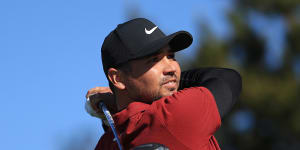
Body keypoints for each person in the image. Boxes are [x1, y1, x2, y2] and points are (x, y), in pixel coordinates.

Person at [85, 18, 242, 150]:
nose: (172, 68)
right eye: (154, 60)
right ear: (117, 78)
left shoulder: (105, 143)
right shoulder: (172, 114)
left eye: (171, 56)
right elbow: (227, 79)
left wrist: (112, 113)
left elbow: (126, 126)